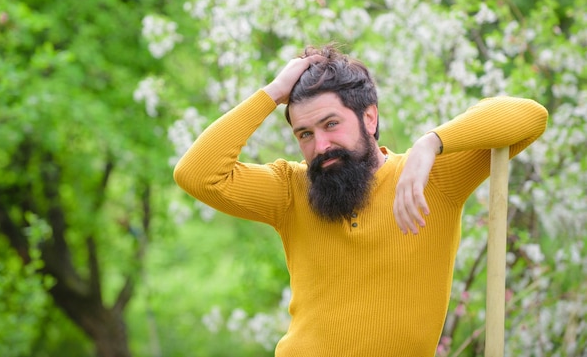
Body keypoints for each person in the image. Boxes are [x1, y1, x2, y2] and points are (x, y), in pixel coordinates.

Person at [173, 44, 548, 357]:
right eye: (305, 133)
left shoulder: (434, 178)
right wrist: (272, 93)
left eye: (331, 124)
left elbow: (530, 116)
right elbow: (196, 174)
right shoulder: (290, 190)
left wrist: (430, 143)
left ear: (369, 117)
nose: (320, 146)